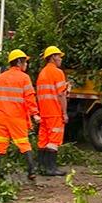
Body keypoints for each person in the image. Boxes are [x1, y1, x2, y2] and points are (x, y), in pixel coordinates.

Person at [0, 49, 40, 180]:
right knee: (23, 144)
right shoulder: (24, 78)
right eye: (25, 62)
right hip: (16, 118)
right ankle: (31, 171)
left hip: (1, 118)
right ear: (19, 62)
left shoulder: (1, 77)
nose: (26, 65)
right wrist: (35, 114)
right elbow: (29, 97)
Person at [35, 46, 69, 177]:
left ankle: (42, 167)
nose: (60, 59)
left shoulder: (42, 73)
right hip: (54, 111)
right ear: (53, 57)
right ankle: (51, 168)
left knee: (44, 139)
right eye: (59, 56)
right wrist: (64, 113)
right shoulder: (57, 73)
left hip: (44, 112)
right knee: (54, 140)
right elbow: (61, 95)